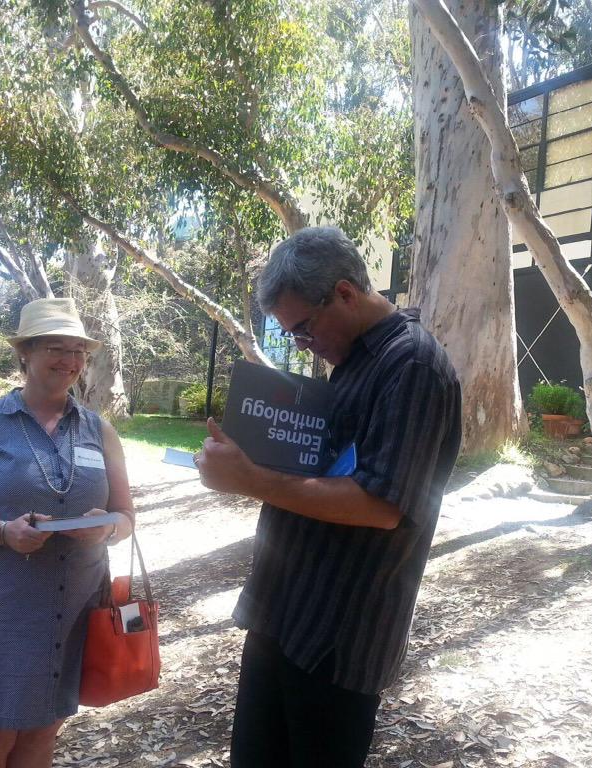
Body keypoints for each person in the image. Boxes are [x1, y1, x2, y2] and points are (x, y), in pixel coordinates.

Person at [196, 226, 462, 768]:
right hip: (285, 611)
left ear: (344, 293)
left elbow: (382, 505)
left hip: (338, 632)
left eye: (302, 328)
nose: (303, 344)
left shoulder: (410, 365)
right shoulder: (353, 364)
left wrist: (251, 480)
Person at [0, 297, 135, 768]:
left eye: (78, 350)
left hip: (73, 608)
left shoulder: (98, 429)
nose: (69, 360)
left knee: (41, 739)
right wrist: (5, 532)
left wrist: (104, 528)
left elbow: (126, 517)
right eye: (55, 348)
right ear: (25, 353)